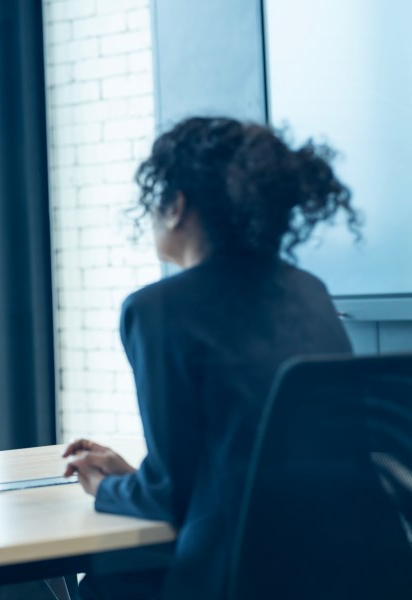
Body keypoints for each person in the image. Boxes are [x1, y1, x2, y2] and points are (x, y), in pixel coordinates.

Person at [63, 117, 360, 600]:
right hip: (353, 564)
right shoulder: (310, 292)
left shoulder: (156, 310)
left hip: (236, 576)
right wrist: (140, 478)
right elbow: (247, 468)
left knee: (106, 582)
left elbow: (169, 497)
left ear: (177, 206)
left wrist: (106, 487)